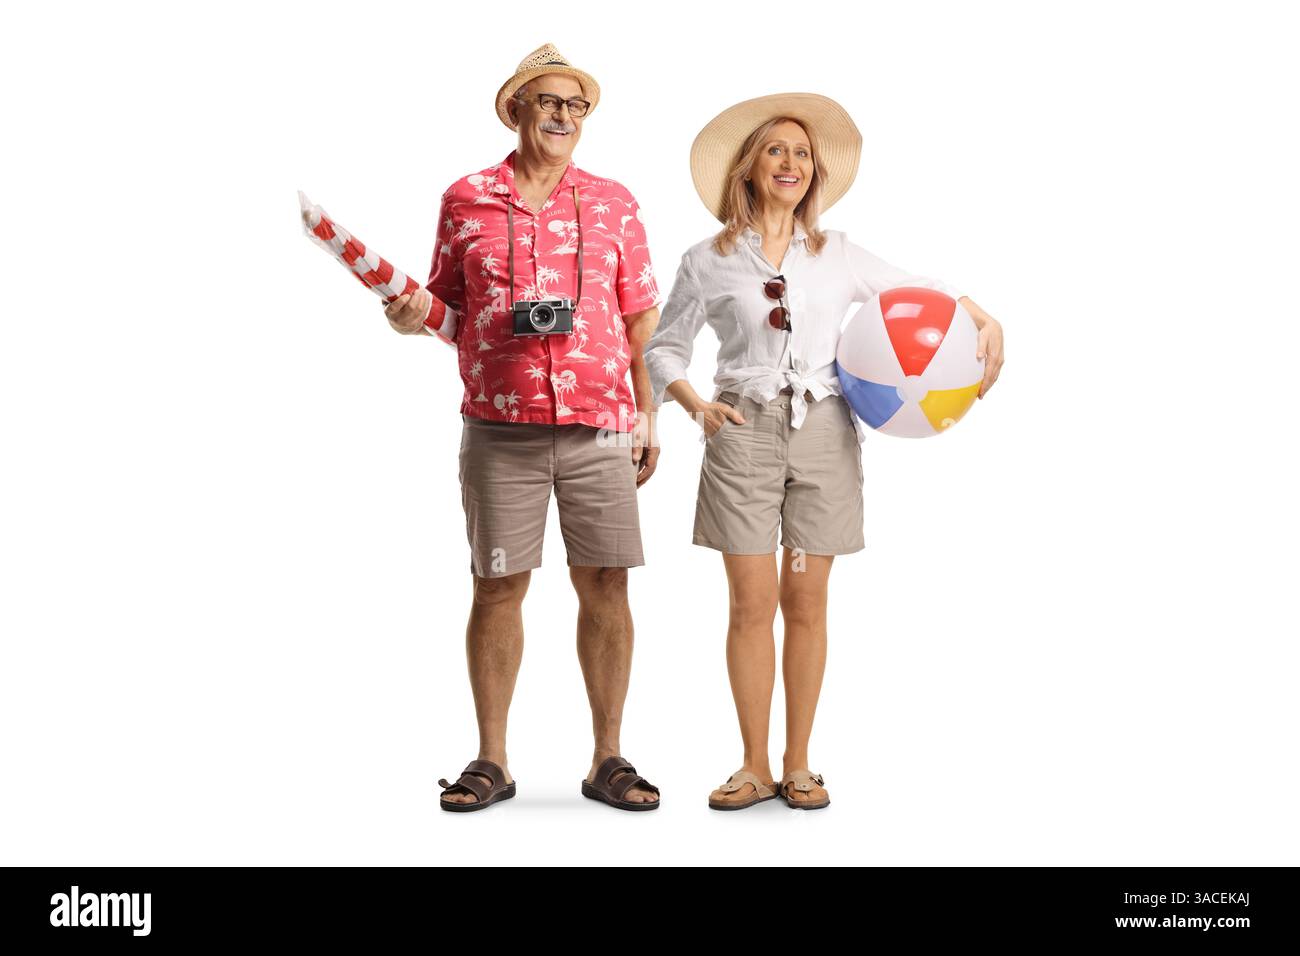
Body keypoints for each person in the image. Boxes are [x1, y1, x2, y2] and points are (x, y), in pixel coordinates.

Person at [643, 93, 1005, 810]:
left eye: (803, 153)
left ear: (815, 173)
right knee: (752, 603)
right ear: (748, 167)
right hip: (740, 432)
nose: (792, 163)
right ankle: (752, 765)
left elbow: (918, 294)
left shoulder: (835, 253)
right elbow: (663, 346)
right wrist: (693, 405)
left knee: (805, 598)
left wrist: (980, 313)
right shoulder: (706, 260)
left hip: (822, 433)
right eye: (776, 150)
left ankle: (799, 762)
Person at [385, 44, 664, 812]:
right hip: (499, 426)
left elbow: (641, 320)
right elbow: (444, 311)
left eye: (575, 106)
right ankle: (492, 760)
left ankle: (608, 757)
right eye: (548, 102)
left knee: (607, 582)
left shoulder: (614, 202)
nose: (563, 116)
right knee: (498, 584)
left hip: (603, 424)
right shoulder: (466, 198)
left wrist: (647, 414)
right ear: (515, 110)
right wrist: (411, 318)